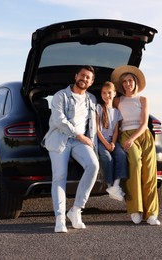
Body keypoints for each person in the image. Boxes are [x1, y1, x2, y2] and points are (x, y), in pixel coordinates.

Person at [42, 65, 99, 233]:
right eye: (82, 75)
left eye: (88, 77)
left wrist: (93, 142)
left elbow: (93, 125)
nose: (85, 79)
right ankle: (60, 218)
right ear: (76, 77)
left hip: (79, 142)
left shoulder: (91, 99)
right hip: (59, 138)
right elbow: (59, 121)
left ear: (91, 82)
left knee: (93, 165)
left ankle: (76, 210)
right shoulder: (61, 96)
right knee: (60, 176)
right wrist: (80, 136)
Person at [111, 65, 161, 226]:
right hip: (125, 136)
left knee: (149, 172)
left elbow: (145, 123)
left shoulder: (143, 100)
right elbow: (111, 118)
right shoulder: (117, 100)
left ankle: (152, 213)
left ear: (136, 82)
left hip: (142, 135)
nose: (127, 84)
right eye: (124, 81)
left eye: (130, 80)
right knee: (135, 166)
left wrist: (133, 138)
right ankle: (135, 210)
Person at [96, 81, 128, 201]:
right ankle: (110, 185)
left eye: (109, 93)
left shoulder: (117, 112)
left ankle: (116, 185)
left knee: (121, 155)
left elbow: (116, 131)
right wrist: (106, 144)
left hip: (112, 141)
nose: (106, 95)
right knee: (106, 157)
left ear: (114, 93)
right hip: (101, 141)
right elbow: (97, 131)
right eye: (104, 93)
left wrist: (113, 143)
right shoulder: (98, 108)